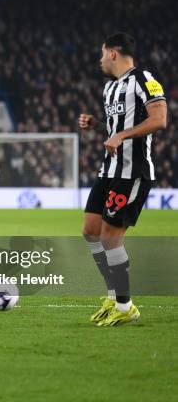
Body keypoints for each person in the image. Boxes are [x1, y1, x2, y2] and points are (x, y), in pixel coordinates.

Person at [79, 33, 167, 326]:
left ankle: (125, 306)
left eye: (102, 53)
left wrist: (121, 134)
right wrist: (99, 125)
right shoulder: (109, 88)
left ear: (113, 53)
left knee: (110, 237)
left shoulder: (144, 79)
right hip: (109, 171)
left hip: (132, 173)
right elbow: (119, 125)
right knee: (91, 231)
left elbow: (158, 119)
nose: (100, 59)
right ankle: (113, 295)